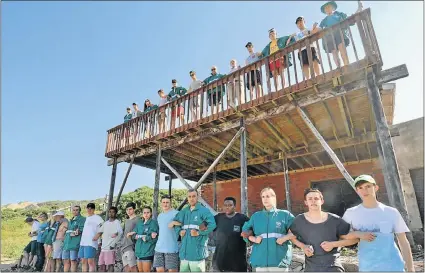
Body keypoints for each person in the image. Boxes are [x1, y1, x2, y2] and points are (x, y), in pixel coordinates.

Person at [342, 175, 415, 272]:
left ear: (375, 188)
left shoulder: (391, 212)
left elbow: (403, 241)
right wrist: (358, 234)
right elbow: (342, 235)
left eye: (368, 186)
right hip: (368, 267)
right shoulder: (351, 213)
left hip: (393, 266)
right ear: (357, 191)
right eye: (360, 188)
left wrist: (411, 268)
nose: (364, 190)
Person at [289, 188, 359, 272]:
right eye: (310, 199)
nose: (313, 201)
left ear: (322, 201)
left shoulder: (334, 220)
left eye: (316, 198)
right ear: (306, 202)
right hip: (311, 269)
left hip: (333, 268)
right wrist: (303, 246)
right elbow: (291, 236)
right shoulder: (299, 220)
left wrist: (333, 244)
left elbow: (354, 239)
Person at [241, 187, 295, 271]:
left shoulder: (285, 215)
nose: (265, 199)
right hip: (260, 260)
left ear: (274, 198)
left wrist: (284, 238)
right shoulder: (256, 216)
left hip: (279, 261)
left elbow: (297, 231)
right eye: (263, 197)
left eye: (268, 196)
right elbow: (245, 231)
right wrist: (254, 239)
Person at [173, 189, 217, 272]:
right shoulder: (184, 211)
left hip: (197, 253)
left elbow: (212, 225)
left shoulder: (204, 210)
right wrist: (179, 231)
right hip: (184, 254)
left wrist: (198, 232)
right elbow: (176, 223)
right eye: (189, 196)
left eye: (194, 196)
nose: (191, 198)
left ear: (198, 197)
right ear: (187, 198)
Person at [212, 197, 249, 272]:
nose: (227, 207)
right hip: (219, 263)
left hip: (238, 264)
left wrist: (248, 235)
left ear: (235, 206)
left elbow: (252, 230)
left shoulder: (242, 218)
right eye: (225, 205)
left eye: (230, 205)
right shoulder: (218, 218)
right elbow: (205, 225)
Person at [314, 1, 351, 68]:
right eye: (326, 8)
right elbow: (320, 28)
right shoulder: (324, 20)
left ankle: (347, 65)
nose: (327, 9)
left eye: (329, 7)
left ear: (333, 8)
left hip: (339, 33)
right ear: (325, 11)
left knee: (342, 49)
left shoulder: (338, 15)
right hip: (329, 37)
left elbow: (347, 18)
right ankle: (339, 67)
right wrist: (315, 28)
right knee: (334, 53)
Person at [153, 195, 180, 272]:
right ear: (161, 203)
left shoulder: (176, 213)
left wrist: (174, 222)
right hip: (158, 247)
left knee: (172, 271)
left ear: (170, 203)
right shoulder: (160, 216)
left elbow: (184, 223)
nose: (165, 204)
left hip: (171, 248)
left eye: (167, 202)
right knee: (159, 270)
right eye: (163, 202)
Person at [128, 206, 159, 272]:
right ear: (142, 214)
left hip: (147, 252)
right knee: (140, 271)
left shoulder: (153, 223)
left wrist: (147, 238)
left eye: (148, 212)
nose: (146, 214)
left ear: (151, 213)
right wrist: (134, 236)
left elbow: (155, 239)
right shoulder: (139, 223)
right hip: (138, 252)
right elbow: (133, 235)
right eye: (144, 212)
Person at [94, 206, 123, 272]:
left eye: (113, 212)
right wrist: (98, 241)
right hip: (103, 248)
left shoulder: (117, 222)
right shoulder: (106, 223)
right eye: (110, 212)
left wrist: (113, 244)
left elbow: (120, 233)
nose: (111, 213)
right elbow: (99, 232)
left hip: (110, 248)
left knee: (110, 266)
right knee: (101, 266)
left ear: (115, 213)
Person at [79, 203, 104, 272]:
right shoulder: (86, 218)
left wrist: (98, 235)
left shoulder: (97, 218)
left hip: (91, 242)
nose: (89, 209)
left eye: (91, 208)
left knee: (90, 261)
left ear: (94, 209)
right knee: (83, 261)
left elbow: (104, 226)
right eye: (88, 208)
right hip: (83, 242)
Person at [63, 205, 86, 272]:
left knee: (73, 261)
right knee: (66, 261)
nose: (75, 211)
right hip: (66, 244)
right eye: (73, 210)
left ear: (79, 211)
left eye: (77, 210)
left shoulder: (82, 219)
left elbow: (81, 229)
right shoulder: (71, 220)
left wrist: (78, 232)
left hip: (74, 243)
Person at [120, 202, 140, 272]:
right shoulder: (126, 220)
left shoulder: (138, 219)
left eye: (130, 209)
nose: (128, 211)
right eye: (127, 210)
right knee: (126, 269)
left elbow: (139, 232)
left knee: (133, 268)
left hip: (131, 247)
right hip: (124, 247)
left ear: (134, 209)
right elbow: (124, 233)